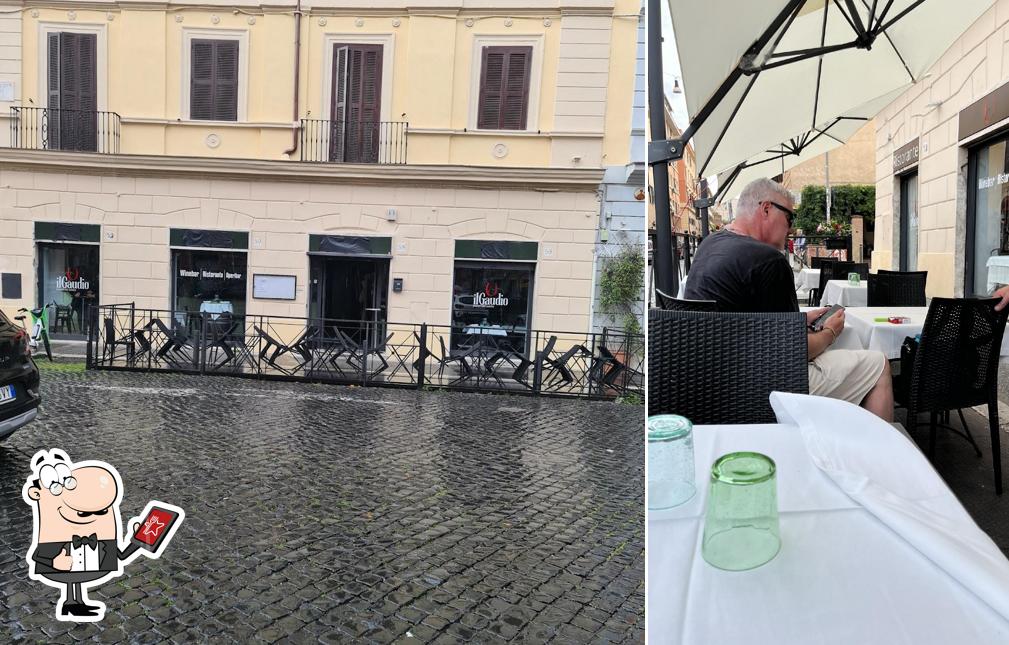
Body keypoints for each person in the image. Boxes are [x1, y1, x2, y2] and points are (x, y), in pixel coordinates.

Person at [684, 177, 894, 421]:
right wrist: (830, 333)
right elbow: (794, 351)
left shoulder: (710, 243)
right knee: (878, 365)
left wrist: (799, 319)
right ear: (766, 209)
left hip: (710, 381)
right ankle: (876, 454)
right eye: (789, 217)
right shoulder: (768, 260)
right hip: (761, 390)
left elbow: (743, 319)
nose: (791, 228)